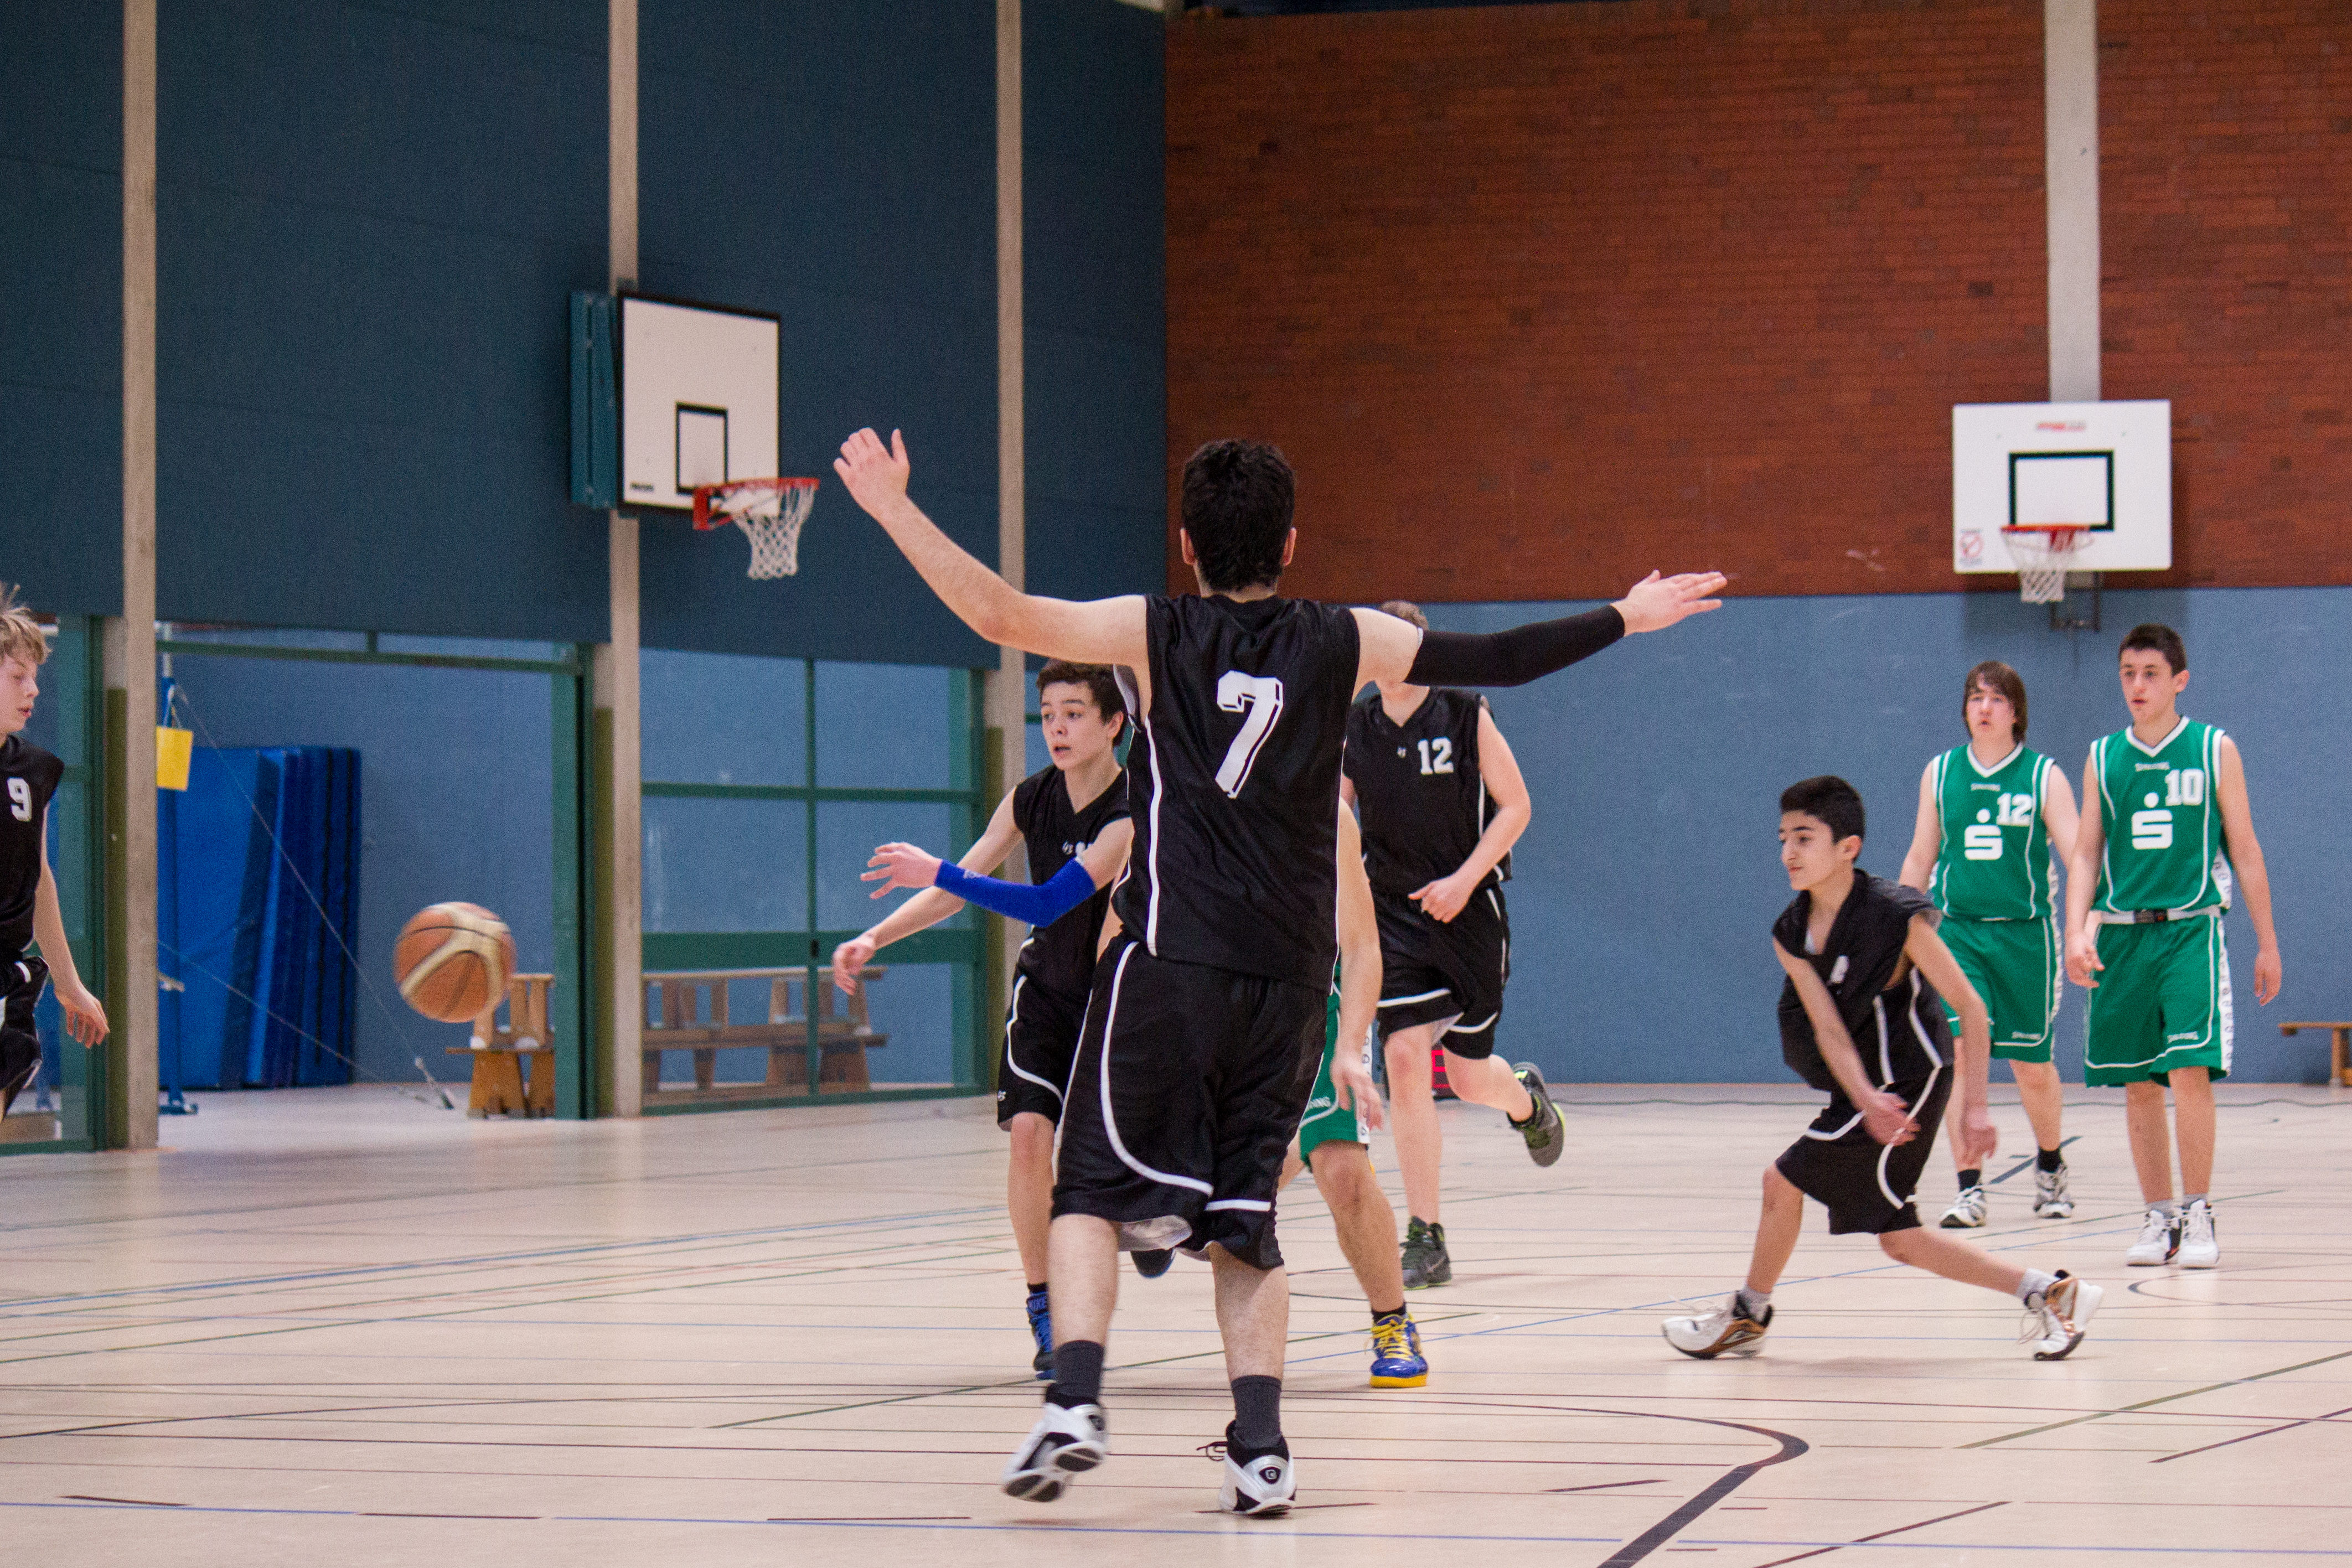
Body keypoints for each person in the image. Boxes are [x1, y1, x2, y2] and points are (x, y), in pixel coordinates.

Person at [834, 426, 1721, 1515]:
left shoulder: (1151, 631)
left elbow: (998, 613)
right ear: (1291, 543)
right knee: (1242, 1221)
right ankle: (1260, 1450)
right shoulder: (1344, 638)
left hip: (1172, 962)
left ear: (1185, 543)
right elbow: (1498, 659)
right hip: (1292, 986)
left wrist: (892, 507)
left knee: (1088, 1191)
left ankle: (1074, 1399)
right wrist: (1626, 613)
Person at [1662, 776, 2100, 1363]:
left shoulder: (1895, 916)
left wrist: (1974, 1108)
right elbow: (1828, 1030)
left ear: (1848, 847)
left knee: (1780, 1181)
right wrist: (1863, 1096)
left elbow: (1971, 1009)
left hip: (1912, 1079)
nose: (1788, 852)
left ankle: (1748, 1313)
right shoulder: (1790, 933)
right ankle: (2052, 1293)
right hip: (1870, 1089)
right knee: (1901, 1238)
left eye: (1804, 837)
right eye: (1782, 838)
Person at [833, 661, 1135, 1379]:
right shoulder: (1030, 798)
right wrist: (876, 935)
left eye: (1074, 713)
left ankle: (1146, 1228)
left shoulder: (1131, 811)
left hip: (1117, 999)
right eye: (1048, 714)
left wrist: (939, 870)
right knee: (1029, 1136)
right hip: (1046, 994)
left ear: (1113, 723)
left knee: (1117, 1159)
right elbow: (957, 890)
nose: (1057, 728)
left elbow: (1047, 900)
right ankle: (1044, 1304)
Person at [1341, 599, 1547, 1291]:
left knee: (1465, 1077)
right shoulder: (1355, 727)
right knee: (1403, 1057)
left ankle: (1524, 1100)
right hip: (1393, 920)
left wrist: (1465, 878)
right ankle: (1426, 1234)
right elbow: (1334, 816)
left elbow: (1516, 805)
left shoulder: (1464, 713)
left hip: (1467, 913)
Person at [2065, 624, 2280, 1271]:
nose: (2137, 685)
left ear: (2179, 680)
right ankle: (2158, 1216)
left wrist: (2267, 942)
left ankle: (2198, 1210)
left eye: (2150, 673)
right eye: (2128, 673)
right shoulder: (2102, 757)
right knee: (2137, 1083)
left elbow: (2245, 850)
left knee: (2188, 1070)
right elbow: (2085, 853)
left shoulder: (2214, 749)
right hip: (2121, 932)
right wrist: (2075, 931)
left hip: (2191, 927)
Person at [1895, 661, 2081, 1228]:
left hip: (2025, 935)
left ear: (2015, 711)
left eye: (1996, 698)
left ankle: (2050, 1164)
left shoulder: (2044, 776)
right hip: (1958, 932)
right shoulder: (1940, 772)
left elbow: (2078, 856)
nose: (1984, 707)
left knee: (2031, 1065)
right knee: (1958, 1054)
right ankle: (1968, 1186)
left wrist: (2086, 924)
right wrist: (1898, 931)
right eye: (1976, 697)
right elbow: (1921, 856)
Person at [1276, 803, 1424, 1389]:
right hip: (1230, 1004)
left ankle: (1393, 1321)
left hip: (1320, 1002)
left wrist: (1349, 1045)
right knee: (1239, 1186)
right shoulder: (1189, 791)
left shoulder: (1324, 811)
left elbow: (1362, 945)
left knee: (1341, 1169)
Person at [0, 589, 108, 1117]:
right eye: (18, 676)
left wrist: (70, 985)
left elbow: (40, 878)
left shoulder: (34, 770)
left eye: (36, 676)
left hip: (8, 977)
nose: (34, 689)